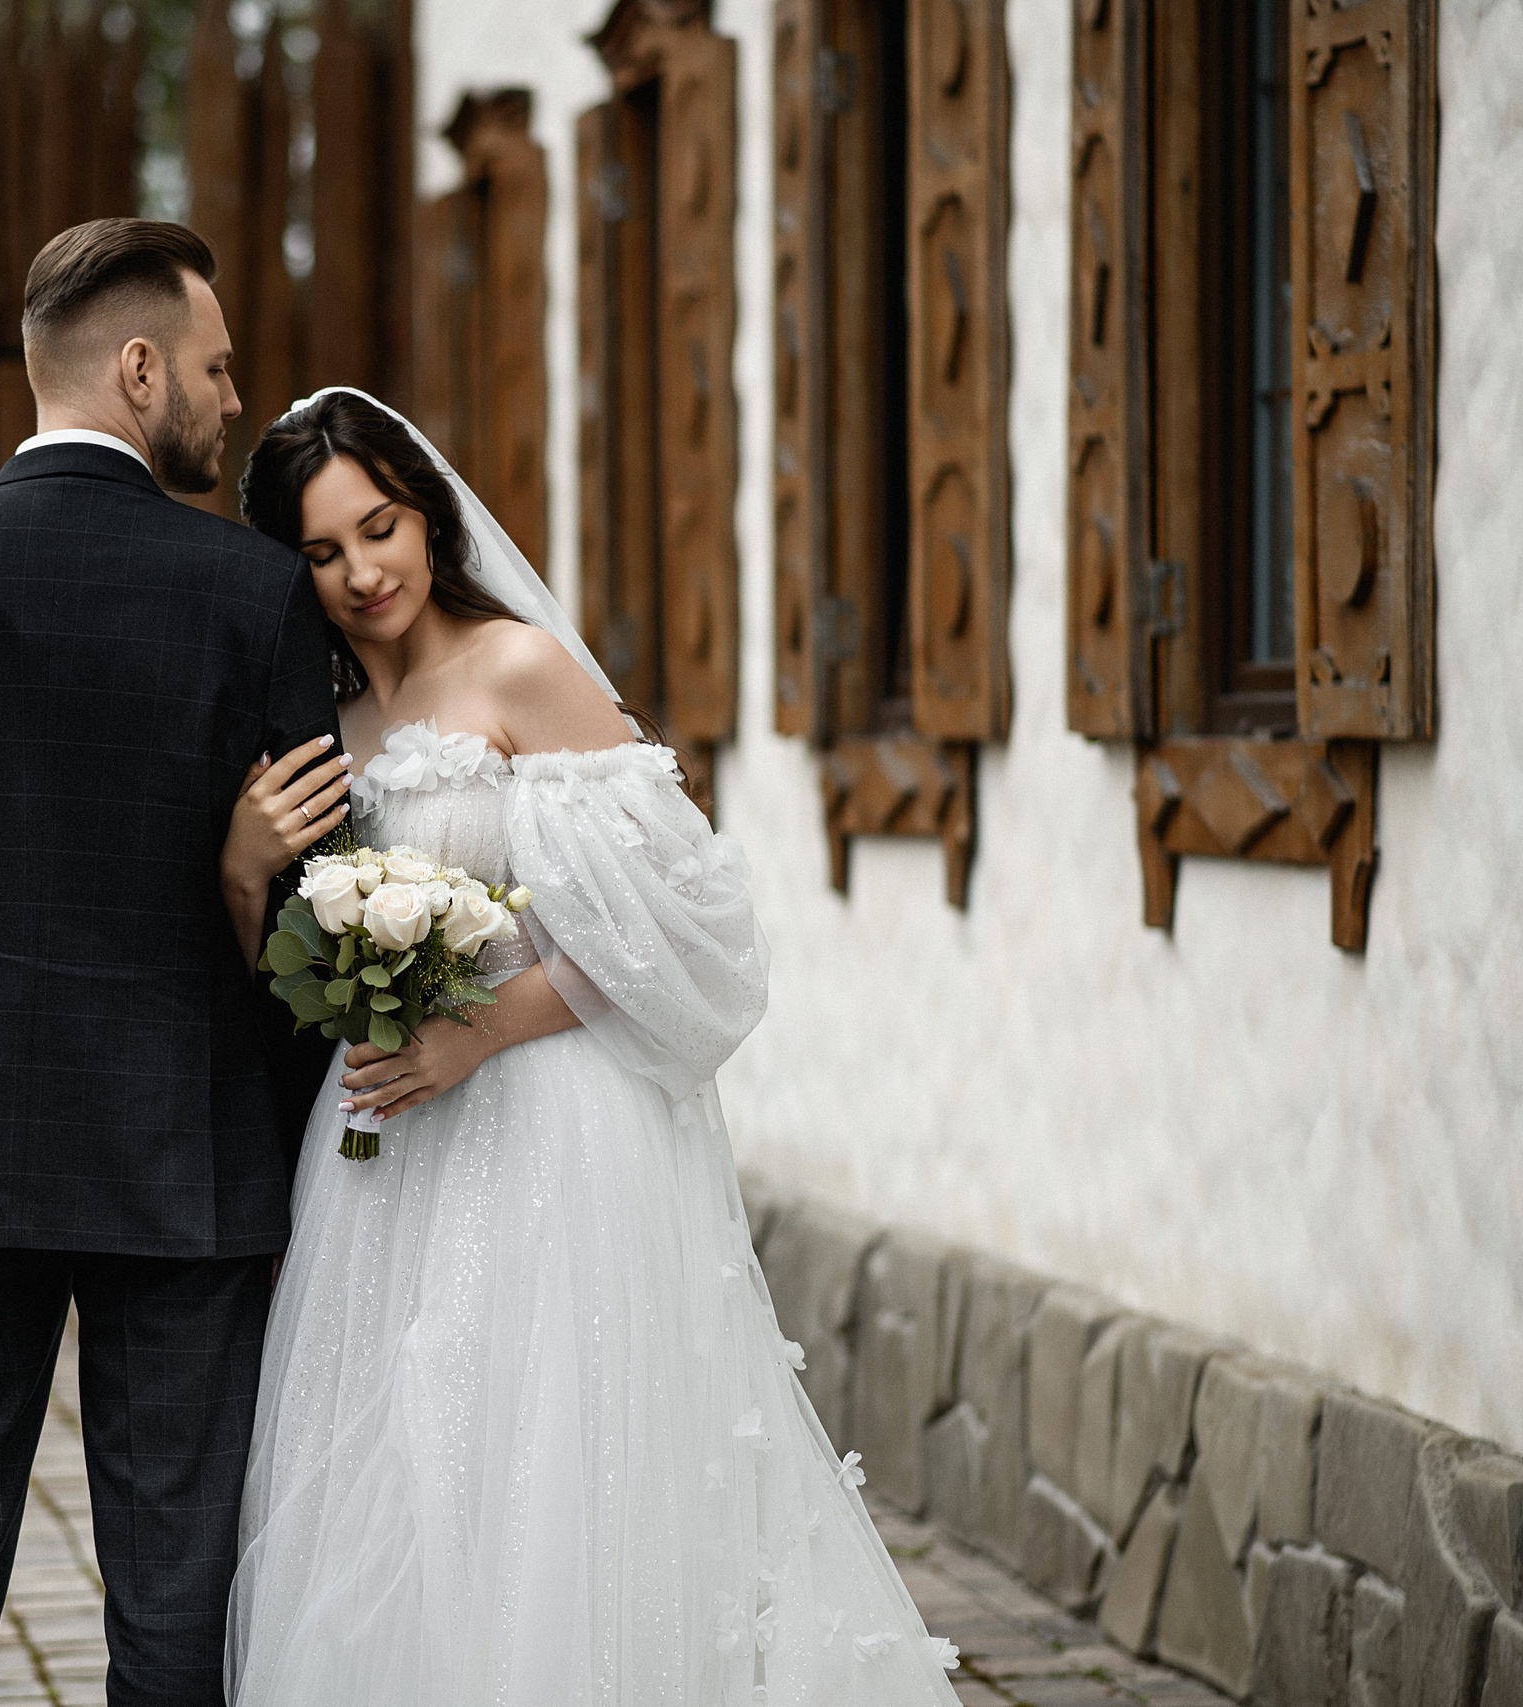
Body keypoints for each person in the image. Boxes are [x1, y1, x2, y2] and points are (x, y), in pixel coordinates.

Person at [216, 388, 964, 1706]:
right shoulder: (320, 713)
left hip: (541, 1125)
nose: (363, 572)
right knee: (396, 1455)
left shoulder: (518, 670)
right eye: (323, 553)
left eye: (378, 528)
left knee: (540, 1457)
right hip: (381, 1148)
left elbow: (686, 927)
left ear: (426, 513)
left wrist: (488, 1026)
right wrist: (249, 870)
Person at [0, 219, 343, 1706]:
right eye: (216, 371)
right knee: (175, 1600)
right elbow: (324, 907)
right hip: (188, 1162)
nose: (235, 404)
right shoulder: (254, 595)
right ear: (138, 368)